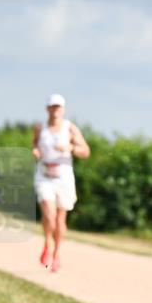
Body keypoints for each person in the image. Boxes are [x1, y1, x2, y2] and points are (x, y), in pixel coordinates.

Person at [32, 94, 90, 272]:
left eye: (58, 107)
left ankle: (56, 254)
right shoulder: (40, 127)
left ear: (63, 109)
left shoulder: (70, 128)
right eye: (53, 107)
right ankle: (48, 242)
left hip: (63, 177)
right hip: (44, 175)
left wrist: (71, 148)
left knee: (60, 219)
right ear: (47, 109)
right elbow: (35, 145)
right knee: (49, 215)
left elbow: (86, 152)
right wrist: (35, 151)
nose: (55, 110)